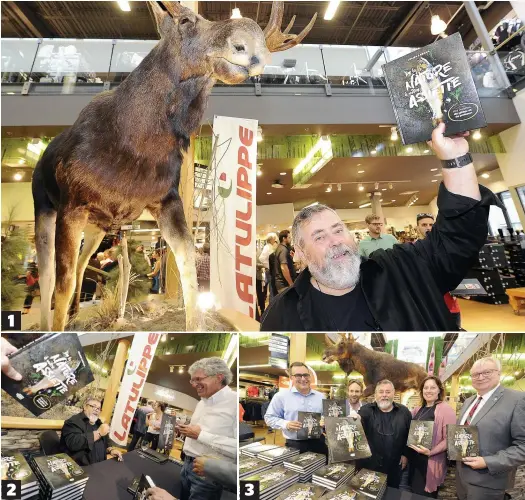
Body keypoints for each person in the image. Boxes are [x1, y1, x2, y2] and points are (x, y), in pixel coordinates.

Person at [261, 123, 500, 331]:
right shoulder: (282, 313)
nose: (335, 241)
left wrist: (455, 157)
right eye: (319, 237)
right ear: (300, 254)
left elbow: (457, 238)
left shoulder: (402, 268)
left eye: (338, 230)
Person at [150, 357, 236, 500]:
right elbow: (200, 431)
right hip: (187, 465)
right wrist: (185, 430)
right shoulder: (202, 402)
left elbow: (237, 448)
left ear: (219, 377)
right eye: (192, 380)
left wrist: (200, 435)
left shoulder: (234, 402)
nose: (194, 384)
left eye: (198, 379)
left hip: (209, 474)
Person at [456, 357, 525, 500]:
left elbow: (523, 446)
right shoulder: (468, 401)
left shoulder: (517, 400)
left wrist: (488, 462)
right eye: (475, 374)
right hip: (461, 478)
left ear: (498, 373)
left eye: (487, 372)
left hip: (488, 482)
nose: (480, 377)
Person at [406, 376, 456, 498]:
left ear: (439, 390)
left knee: (424, 495)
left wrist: (431, 452)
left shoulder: (445, 409)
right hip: (414, 460)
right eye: (426, 387)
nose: (428, 390)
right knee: (414, 493)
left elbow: (450, 437)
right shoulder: (418, 409)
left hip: (429, 462)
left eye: (432, 387)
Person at [265, 361, 327, 456]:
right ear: (291, 378)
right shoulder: (281, 396)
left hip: (319, 443)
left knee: (322, 470)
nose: (303, 379)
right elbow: (269, 418)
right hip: (295, 445)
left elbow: (327, 416)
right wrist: (286, 424)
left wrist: (325, 421)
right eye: (298, 375)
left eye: (306, 375)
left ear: (310, 376)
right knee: (295, 470)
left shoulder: (321, 397)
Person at [358, 380, 411, 488]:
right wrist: (354, 419)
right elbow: (356, 427)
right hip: (370, 464)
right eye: (381, 392)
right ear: (376, 394)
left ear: (393, 393)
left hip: (395, 465)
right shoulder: (365, 410)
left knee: (392, 492)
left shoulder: (404, 412)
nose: (384, 395)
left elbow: (409, 435)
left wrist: (406, 454)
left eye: (387, 392)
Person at [416, 212, 461, 329]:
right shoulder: (411, 250)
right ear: (417, 227)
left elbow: (456, 269)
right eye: (424, 225)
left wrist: (460, 289)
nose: (428, 228)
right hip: (427, 303)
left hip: (450, 303)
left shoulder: (446, 246)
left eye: (431, 225)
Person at [60, 398, 123, 465]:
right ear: (85, 407)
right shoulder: (73, 422)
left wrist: (111, 450)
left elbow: (105, 442)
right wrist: (98, 433)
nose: (96, 410)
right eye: (93, 406)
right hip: (80, 468)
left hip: (100, 466)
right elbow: (73, 443)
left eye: (98, 408)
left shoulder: (98, 423)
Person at [273, 230, 297, 294]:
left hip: (283, 284)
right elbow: (284, 268)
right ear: (284, 238)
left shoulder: (281, 248)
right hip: (284, 285)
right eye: (289, 237)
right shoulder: (283, 250)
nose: (291, 239)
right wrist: (291, 283)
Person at [259, 232, 278, 298]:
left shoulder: (271, 247)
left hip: (271, 270)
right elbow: (261, 258)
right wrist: (268, 265)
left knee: (272, 288)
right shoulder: (267, 247)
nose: (275, 240)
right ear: (271, 239)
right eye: (274, 239)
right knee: (272, 288)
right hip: (270, 270)